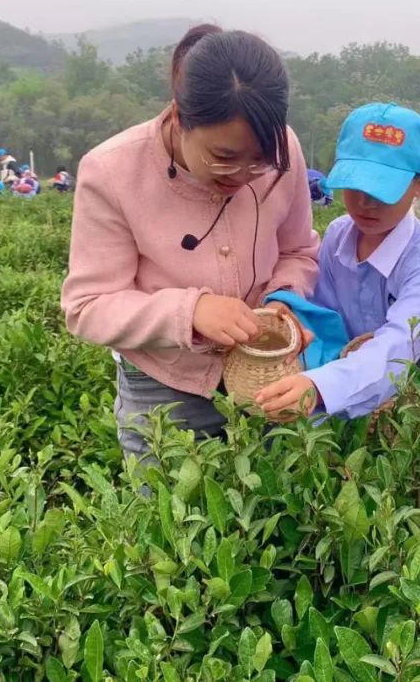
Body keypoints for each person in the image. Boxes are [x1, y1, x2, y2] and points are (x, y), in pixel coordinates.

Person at [61, 24, 319, 464]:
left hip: (266, 377)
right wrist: (190, 312)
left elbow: (298, 251)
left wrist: (284, 303)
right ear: (180, 119)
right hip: (164, 388)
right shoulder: (112, 171)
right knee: (164, 523)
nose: (241, 176)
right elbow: (87, 306)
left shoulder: (286, 151)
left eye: (258, 161)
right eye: (223, 158)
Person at [254, 102, 420, 421]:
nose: (364, 203)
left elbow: (399, 347)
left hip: (397, 410)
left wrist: (320, 386)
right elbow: (324, 320)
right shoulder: (337, 235)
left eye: (382, 191)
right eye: (355, 185)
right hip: (327, 396)